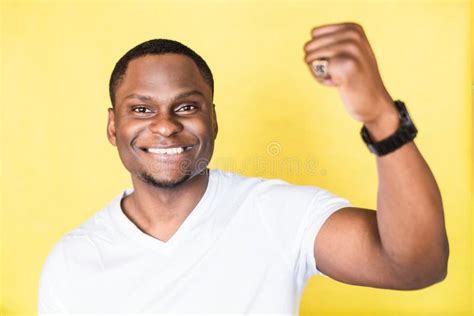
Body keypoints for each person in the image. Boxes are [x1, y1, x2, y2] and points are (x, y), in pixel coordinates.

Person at [38, 22, 449, 315]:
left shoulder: (278, 214)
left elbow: (417, 265)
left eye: (186, 106)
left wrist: (380, 116)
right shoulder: (73, 260)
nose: (165, 125)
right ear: (114, 126)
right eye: (142, 109)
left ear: (213, 119)